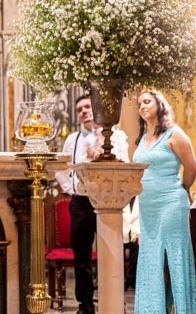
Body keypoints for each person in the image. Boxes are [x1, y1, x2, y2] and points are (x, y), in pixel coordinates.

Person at [54, 94, 129, 314]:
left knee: (112, 253)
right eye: (80, 109)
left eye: (88, 107)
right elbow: (62, 169)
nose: (84, 111)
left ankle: (115, 302)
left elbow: (123, 161)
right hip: (81, 203)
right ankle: (85, 305)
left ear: (96, 108)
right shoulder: (73, 139)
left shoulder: (115, 136)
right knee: (82, 258)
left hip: (108, 202)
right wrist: (72, 189)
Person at [133, 90, 196, 314]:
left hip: (171, 201)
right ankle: (152, 309)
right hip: (147, 205)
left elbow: (191, 167)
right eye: (139, 103)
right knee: (150, 258)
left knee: (174, 257)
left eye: (147, 101)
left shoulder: (175, 133)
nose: (142, 106)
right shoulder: (141, 137)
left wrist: (183, 189)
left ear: (160, 104)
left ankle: (182, 309)